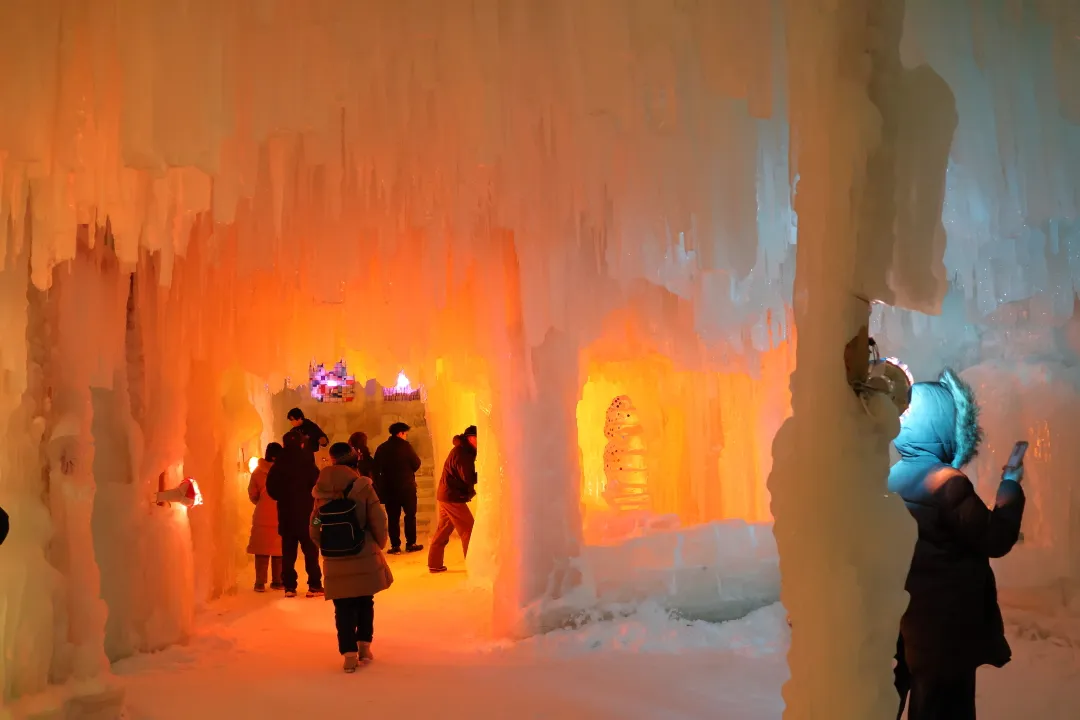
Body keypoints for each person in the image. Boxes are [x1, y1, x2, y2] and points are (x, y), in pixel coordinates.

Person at [889, 368, 1025, 720]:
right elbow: (995, 538)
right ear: (942, 426)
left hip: (909, 619)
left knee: (921, 698)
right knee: (947, 708)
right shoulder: (947, 484)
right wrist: (1010, 484)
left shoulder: (894, 477)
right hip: (948, 627)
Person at [310, 442, 394, 673]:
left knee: (343, 607)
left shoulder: (321, 490)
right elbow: (378, 518)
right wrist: (378, 543)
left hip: (335, 558)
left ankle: (348, 655)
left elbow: (315, 523)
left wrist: (325, 542)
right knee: (365, 602)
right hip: (363, 551)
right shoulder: (362, 486)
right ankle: (364, 647)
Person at [266, 429, 324, 598]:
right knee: (311, 551)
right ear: (301, 443)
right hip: (307, 513)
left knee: (288, 552)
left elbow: (272, 489)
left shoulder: (278, 465)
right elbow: (318, 485)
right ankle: (314, 585)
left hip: (286, 514)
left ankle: (289, 586)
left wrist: (283, 498)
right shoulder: (307, 462)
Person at [428, 425, 478, 573]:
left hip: (447, 495)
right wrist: (485, 473)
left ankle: (434, 564)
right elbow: (467, 477)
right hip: (453, 497)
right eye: (478, 438)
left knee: (443, 530)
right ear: (470, 438)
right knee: (468, 529)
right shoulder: (463, 453)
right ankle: (473, 565)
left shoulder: (463, 450)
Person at [372, 422, 423, 554]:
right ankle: (411, 543)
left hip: (389, 489)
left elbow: (375, 468)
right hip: (407, 488)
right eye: (405, 433)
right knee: (410, 515)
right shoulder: (406, 447)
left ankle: (395, 546)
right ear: (400, 433)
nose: (406, 436)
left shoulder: (382, 448)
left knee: (393, 518)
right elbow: (416, 463)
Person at [247, 442, 284, 592]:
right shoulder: (283, 471)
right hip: (280, 512)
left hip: (262, 514)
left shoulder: (257, 472)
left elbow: (252, 494)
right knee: (279, 550)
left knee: (261, 550)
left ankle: (259, 582)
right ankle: (278, 581)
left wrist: (261, 503)